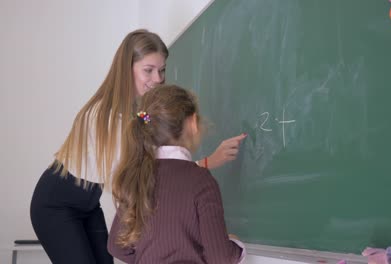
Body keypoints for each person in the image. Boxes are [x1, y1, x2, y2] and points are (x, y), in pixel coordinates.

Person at [30, 29, 246, 264]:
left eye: (162, 70)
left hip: (88, 206)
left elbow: (160, 164)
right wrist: (207, 163)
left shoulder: (139, 114)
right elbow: (143, 174)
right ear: (127, 68)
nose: (158, 79)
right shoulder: (104, 116)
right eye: (148, 70)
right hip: (56, 205)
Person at [108, 84, 245, 264]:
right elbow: (220, 258)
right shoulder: (201, 181)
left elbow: (116, 247)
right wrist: (235, 245)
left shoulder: (139, 177)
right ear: (193, 123)